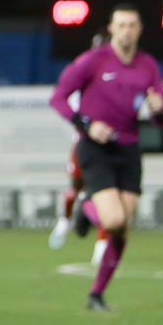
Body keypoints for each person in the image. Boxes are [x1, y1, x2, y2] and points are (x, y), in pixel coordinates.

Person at [49, 4, 163, 311]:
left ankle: (96, 294)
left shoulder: (147, 65)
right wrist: (86, 124)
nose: (127, 31)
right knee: (114, 219)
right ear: (112, 29)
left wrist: (158, 109)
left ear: (139, 30)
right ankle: (85, 211)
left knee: (121, 227)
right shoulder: (93, 60)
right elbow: (58, 98)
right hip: (95, 147)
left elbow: (160, 118)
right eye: (121, 25)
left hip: (129, 150)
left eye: (132, 25)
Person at [48, 27, 111, 266]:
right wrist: (86, 123)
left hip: (110, 147)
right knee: (75, 188)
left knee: (105, 196)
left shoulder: (121, 73)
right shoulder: (83, 72)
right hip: (84, 143)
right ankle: (65, 223)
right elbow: (63, 101)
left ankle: (100, 250)